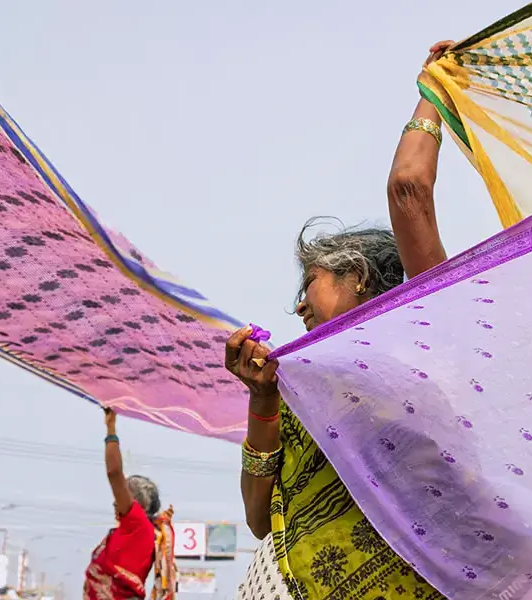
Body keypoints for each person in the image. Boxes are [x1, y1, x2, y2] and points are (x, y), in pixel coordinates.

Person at [228, 42, 455, 600]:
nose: (300, 306)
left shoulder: (424, 328)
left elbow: (408, 189)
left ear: (358, 278)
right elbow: (260, 521)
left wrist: (435, 91)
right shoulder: (303, 387)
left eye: (309, 284)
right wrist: (261, 402)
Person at [84, 408, 165, 600]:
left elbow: (114, 473)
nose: (115, 501)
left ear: (137, 503)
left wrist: (110, 428)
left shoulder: (137, 524)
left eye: (121, 494)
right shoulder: (133, 530)